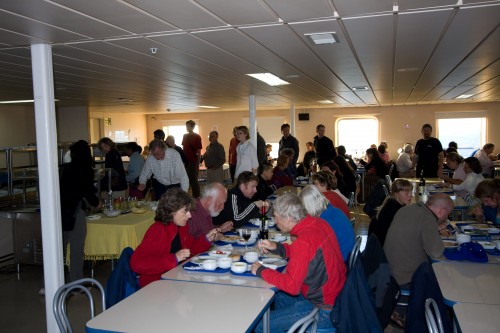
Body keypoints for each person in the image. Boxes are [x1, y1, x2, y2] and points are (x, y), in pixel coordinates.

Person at [251, 193, 346, 333]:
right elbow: (307, 254)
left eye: (276, 216)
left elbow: (292, 286)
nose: (275, 221)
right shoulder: (318, 223)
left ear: (289, 218)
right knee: (277, 296)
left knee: (259, 325)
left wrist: (261, 270)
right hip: (336, 297)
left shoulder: (303, 241)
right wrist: (276, 247)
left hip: (323, 310)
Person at [130, 188, 220, 287]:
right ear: (172, 211)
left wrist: (207, 239)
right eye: (185, 211)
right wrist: (174, 258)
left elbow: (192, 250)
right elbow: (137, 263)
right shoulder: (158, 230)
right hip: (156, 286)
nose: (189, 215)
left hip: (176, 279)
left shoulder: (181, 228)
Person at [384, 193, 453, 286]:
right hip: (406, 277)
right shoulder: (428, 219)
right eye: (448, 214)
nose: (447, 218)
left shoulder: (407, 208)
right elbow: (436, 252)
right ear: (441, 211)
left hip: (389, 269)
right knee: (448, 279)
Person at [60, 140, 101, 282]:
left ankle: (50, 283)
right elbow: (87, 190)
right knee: (77, 248)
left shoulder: (64, 168)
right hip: (75, 211)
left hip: (59, 212)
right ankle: (76, 280)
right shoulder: (85, 169)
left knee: (59, 249)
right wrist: (96, 203)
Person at [299, 185, 355, 261]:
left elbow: (313, 250)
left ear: (309, 207)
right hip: (345, 257)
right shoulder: (333, 210)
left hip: (340, 261)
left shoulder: (324, 222)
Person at [368, 179, 413, 246]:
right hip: (386, 250)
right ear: (396, 193)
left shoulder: (390, 203)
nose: (411, 195)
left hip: (381, 247)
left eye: (411, 192)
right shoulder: (394, 211)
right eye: (406, 192)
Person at [182, 120, 202, 198]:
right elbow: (184, 149)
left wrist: (197, 164)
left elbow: (199, 151)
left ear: (192, 127)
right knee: (184, 179)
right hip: (185, 161)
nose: (187, 128)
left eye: (188, 126)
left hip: (193, 161)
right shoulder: (185, 136)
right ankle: (186, 197)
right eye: (186, 126)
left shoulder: (197, 137)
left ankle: (196, 197)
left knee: (193, 180)